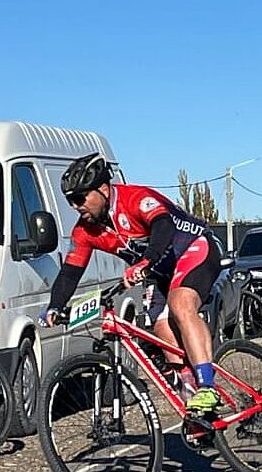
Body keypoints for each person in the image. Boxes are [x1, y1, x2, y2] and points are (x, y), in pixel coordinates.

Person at [40, 153, 224, 411]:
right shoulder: (85, 231)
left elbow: (163, 227)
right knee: (162, 330)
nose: (75, 206)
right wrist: (55, 305)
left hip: (195, 248)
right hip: (161, 270)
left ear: (103, 189)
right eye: (70, 200)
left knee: (181, 304)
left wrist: (144, 262)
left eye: (80, 198)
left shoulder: (136, 198)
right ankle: (194, 398)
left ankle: (208, 386)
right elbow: (70, 271)